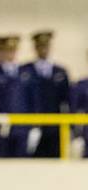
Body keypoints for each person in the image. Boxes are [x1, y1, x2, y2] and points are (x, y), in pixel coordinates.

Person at [25, 30, 71, 159]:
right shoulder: (26, 71)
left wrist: (72, 129)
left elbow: (67, 101)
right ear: (35, 48)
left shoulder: (60, 72)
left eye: (46, 46)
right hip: (33, 126)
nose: (43, 50)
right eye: (40, 46)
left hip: (55, 128)